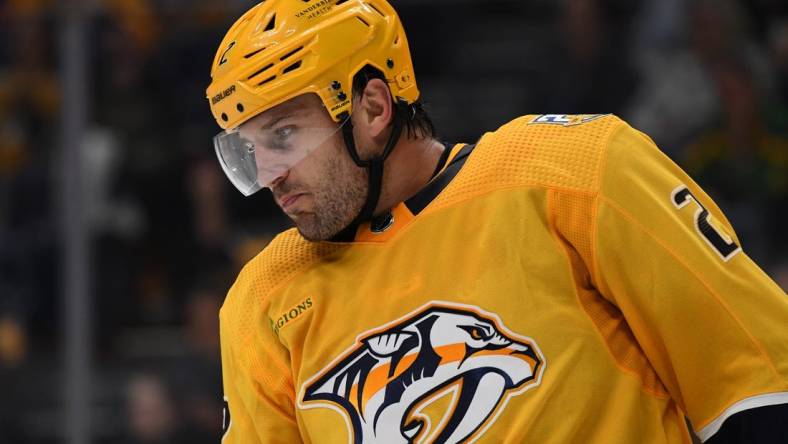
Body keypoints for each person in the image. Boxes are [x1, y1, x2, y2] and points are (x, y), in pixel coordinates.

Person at [206, 1, 788, 443]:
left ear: (374, 107)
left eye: (284, 135)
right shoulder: (263, 297)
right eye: (251, 150)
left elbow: (757, 390)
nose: (270, 175)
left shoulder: (576, 169)